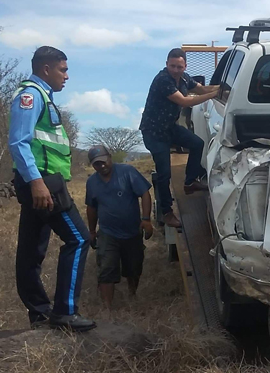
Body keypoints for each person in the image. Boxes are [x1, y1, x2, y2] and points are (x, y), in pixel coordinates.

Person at [8, 46, 96, 332]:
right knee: (80, 239)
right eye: (63, 69)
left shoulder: (43, 96)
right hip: (44, 182)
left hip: (43, 181)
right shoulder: (30, 96)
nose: (67, 76)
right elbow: (18, 142)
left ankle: (39, 312)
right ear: (46, 68)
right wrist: (36, 183)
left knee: (32, 250)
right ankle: (65, 313)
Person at [139, 48, 219, 228]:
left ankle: (190, 182)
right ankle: (166, 212)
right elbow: (184, 101)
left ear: (185, 66)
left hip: (169, 127)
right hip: (154, 131)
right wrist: (214, 95)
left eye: (179, 66)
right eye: (172, 66)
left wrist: (223, 89)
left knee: (197, 144)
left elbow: (202, 89)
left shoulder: (185, 78)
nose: (176, 70)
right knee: (164, 173)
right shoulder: (163, 80)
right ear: (167, 64)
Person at [84, 145, 153, 312]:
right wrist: (92, 231)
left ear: (110, 157)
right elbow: (91, 208)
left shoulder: (127, 172)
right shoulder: (92, 182)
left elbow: (144, 193)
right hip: (108, 233)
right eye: (96, 164)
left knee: (134, 267)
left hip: (132, 231)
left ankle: (132, 294)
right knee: (106, 269)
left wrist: (146, 219)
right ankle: (107, 309)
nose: (101, 166)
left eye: (103, 162)